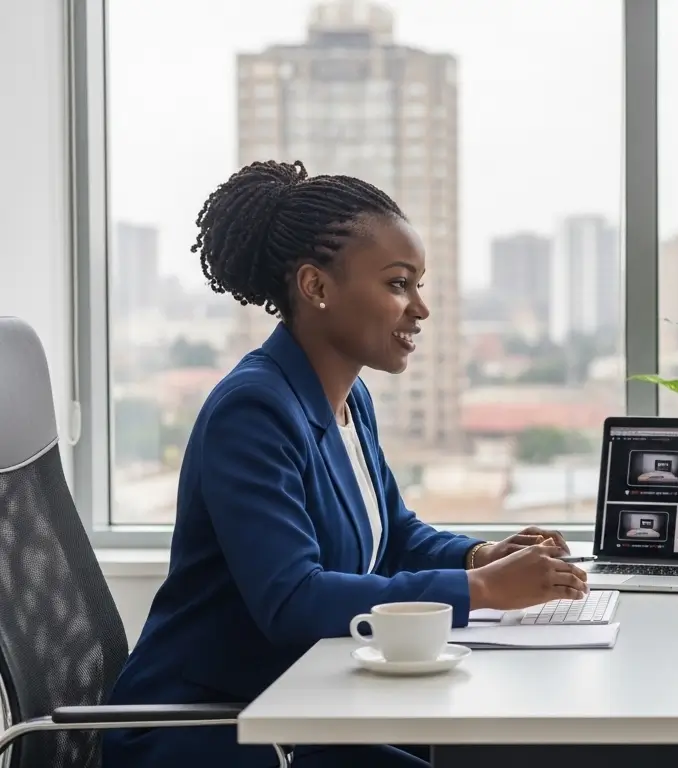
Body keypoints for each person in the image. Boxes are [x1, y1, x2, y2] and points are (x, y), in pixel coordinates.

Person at [103, 160, 589, 768]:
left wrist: (476, 555)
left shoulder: (347, 399)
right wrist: (482, 590)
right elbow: (293, 600)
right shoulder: (252, 410)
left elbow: (394, 532)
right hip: (209, 730)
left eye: (419, 284)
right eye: (397, 284)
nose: (420, 309)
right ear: (316, 287)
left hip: (301, 707)